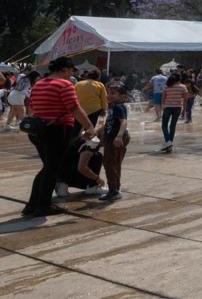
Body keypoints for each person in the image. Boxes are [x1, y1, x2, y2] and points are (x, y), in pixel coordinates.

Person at [23, 57, 97, 218]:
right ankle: (43, 206)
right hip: (57, 130)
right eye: (71, 70)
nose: (72, 74)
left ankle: (32, 205)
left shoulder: (39, 84)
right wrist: (89, 126)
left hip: (37, 130)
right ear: (64, 69)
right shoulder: (64, 85)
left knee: (47, 168)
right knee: (52, 169)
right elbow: (75, 109)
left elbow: (32, 107)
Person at [99, 84, 129, 201]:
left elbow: (124, 122)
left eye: (113, 93)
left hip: (116, 138)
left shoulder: (118, 107)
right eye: (108, 92)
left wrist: (119, 136)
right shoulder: (113, 106)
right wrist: (103, 137)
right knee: (114, 164)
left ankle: (113, 191)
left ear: (122, 96)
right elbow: (109, 123)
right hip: (112, 137)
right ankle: (115, 188)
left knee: (109, 164)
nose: (109, 95)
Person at [160, 74, 187, 152]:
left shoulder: (166, 86)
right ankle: (170, 143)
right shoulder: (183, 87)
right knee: (173, 126)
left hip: (167, 108)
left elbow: (163, 98)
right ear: (179, 79)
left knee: (164, 125)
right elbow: (185, 100)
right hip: (177, 108)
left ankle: (168, 142)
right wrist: (184, 111)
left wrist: (163, 107)